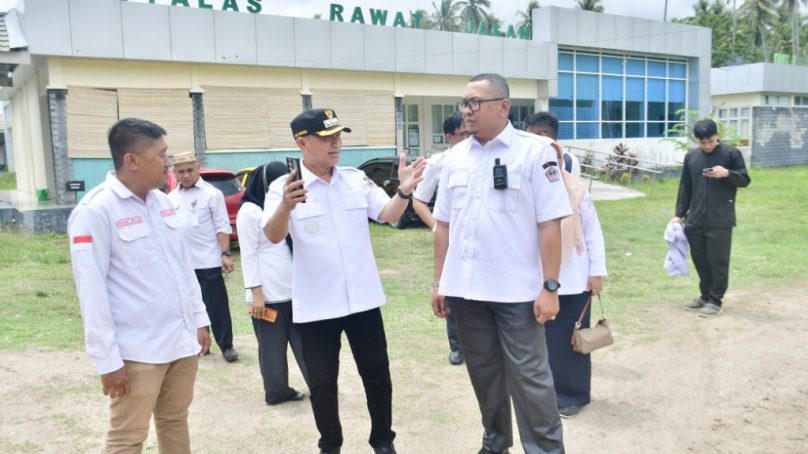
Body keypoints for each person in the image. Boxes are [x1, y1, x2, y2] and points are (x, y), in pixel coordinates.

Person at [263, 108, 425, 454]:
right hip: (317, 304)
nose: (336, 143)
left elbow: (387, 215)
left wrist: (405, 192)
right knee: (322, 383)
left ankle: (383, 440)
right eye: (327, 138)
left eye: (339, 136)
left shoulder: (354, 179)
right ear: (301, 143)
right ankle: (330, 444)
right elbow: (273, 236)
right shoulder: (283, 187)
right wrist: (285, 209)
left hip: (363, 301)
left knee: (377, 375)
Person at [431, 74, 571, 454]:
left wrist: (550, 286)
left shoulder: (533, 152)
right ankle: (495, 442)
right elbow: (443, 225)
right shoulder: (455, 157)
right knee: (484, 374)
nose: (467, 111)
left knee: (531, 379)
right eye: (464, 103)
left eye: (475, 102)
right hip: (467, 292)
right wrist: (439, 282)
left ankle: (544, 449)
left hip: (518, 294)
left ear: (504, 106)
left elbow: (550, 224)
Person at [68, 118, 212, 453]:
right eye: (161, 155)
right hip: (137, 352)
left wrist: (199, 319)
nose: (169, 162)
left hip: (181, 341)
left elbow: (182, 267)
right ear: (131, 160)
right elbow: (91, 292)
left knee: (175, 421)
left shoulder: (162, 203)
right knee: (127, 437)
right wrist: (108, 361)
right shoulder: (95, 210)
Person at [527, 111, 608, 419]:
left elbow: (592, 233)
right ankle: (542, 395)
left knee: (571, 341)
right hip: (532, 279)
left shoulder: (575, 190)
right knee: (538, 343)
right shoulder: (525, 188)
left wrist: (596, 273)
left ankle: (573, 395)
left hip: (573, 280)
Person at [237, 162, 308, 405]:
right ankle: (277, 392)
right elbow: (248, 254)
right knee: (272, 350)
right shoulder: (249, 211)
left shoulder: (283, 209)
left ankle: (320, 385)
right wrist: (256, 294)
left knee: (306, 344)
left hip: (292, 290)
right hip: (267, 296)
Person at [670, 119, 751, 317]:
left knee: (718, 261)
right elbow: (685, 187)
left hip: (720, 219)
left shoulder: (731, 153)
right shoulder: (691, 157)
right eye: (702, 142)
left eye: (711, 141)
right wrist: (679, 214)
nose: (707, 146)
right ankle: (705, 295)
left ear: (718, 135)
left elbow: (744, 180)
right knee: (700, 259)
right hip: (695, 219)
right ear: (696, 140)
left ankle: (716, 299)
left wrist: (727, 173)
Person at [168, 152, 239, 362]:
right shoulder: (171, 198)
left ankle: (226, 346)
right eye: (181, 171)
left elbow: (222, 226)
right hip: (182, 263)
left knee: (216, 306)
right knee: (189, 306)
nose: (186, 175)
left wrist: (225, 253)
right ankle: (200, 344)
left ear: (198, 168)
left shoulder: (212, 194)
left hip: (208, 260)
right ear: (175, 173)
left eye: (190, 170)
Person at [412, 111, 466, 366]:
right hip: (451, 238)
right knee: (450, 289)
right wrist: (436, 227)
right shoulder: (440, 163)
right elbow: (419, 200)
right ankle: (457, 346)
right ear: (449, 137)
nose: (468, 137)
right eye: (463, 133)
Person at [524, 111, 582, 178]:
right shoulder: (530, 158)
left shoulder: (569, 161)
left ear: (542, 135)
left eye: (529, 136)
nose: (527, 141)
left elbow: (572, 187)